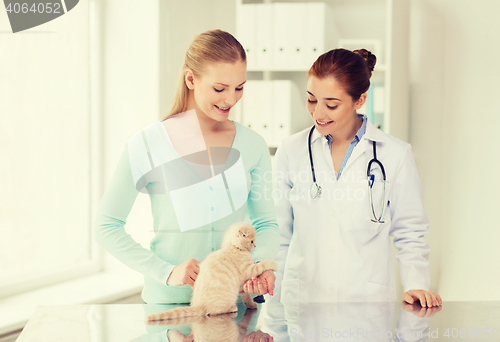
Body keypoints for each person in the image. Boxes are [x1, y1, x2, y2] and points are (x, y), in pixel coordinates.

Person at [94, 29, 279, 305]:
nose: (231, 99)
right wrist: (166, 271)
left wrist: (262, 265)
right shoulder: (148, 144)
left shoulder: (253, 145)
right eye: (219, 88)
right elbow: (106, 226)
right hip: (169, 307)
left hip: (231, 303)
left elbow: (265, 222)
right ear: (191, 79)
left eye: (239, 87)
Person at [272, 48, 442, 307]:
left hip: (367, 305)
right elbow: (280, 234)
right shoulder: (291, 150)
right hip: (303, 305)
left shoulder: (395, 154)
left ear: (360, 100)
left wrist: (416, 284)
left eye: (331, 104)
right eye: (311, 100)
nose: (318, 113)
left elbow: (410, 231)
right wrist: (272, 306)